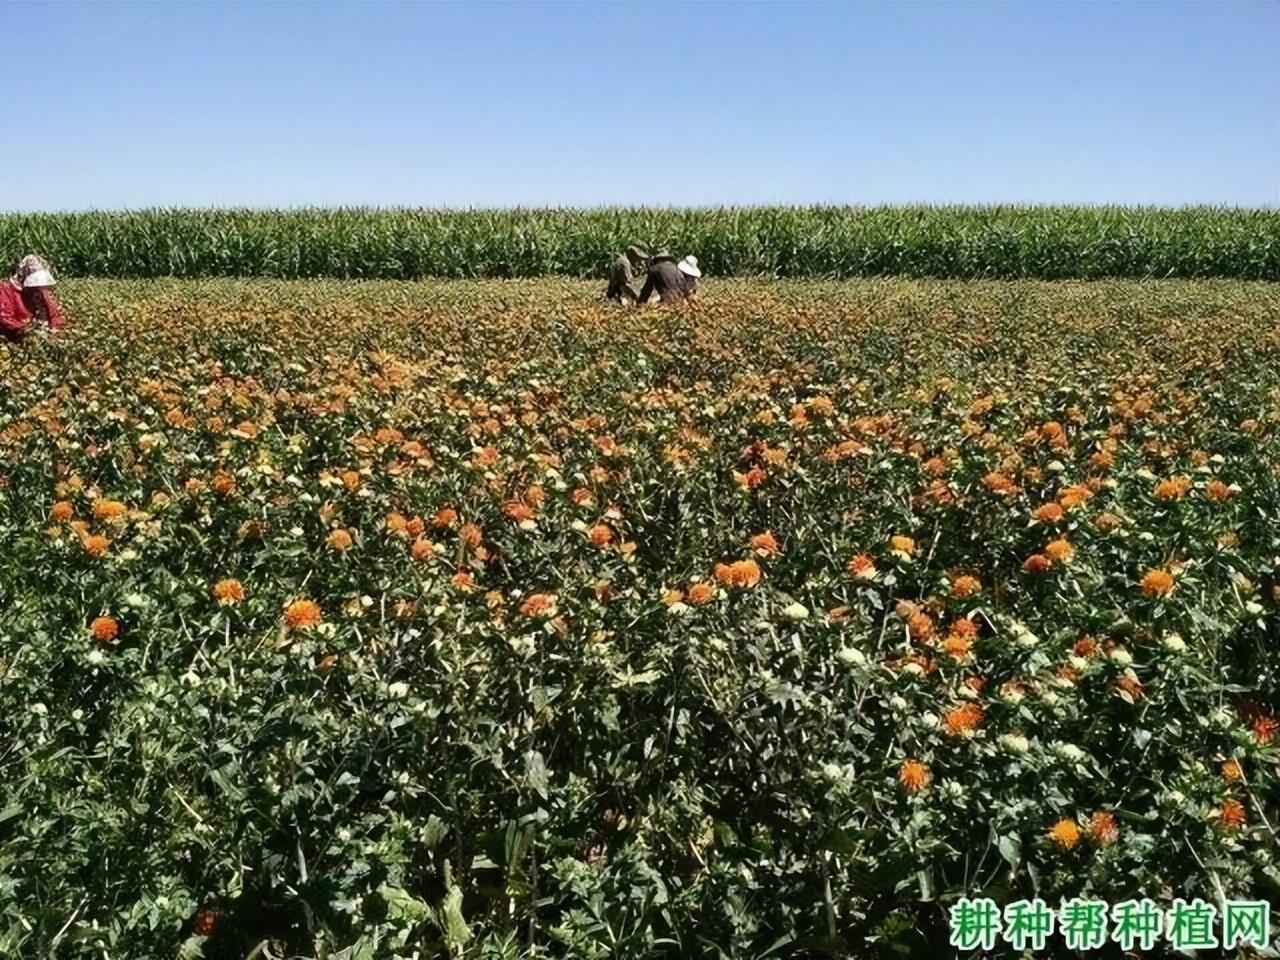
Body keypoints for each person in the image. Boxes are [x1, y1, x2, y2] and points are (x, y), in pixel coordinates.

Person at [1, 255, 64, 338]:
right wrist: (28, 330)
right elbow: (4, 318)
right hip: (14, 336)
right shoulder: (6, 289)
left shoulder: (41, 290)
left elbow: (54, 313)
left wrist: (55, 328)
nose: (36, 288)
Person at [636, 251, 702, 305]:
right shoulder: (676, 268)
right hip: (681, 302)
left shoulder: (654, 269)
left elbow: (647, 290)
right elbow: (685, 289)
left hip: (667, 302)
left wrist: (639, 304)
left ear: (657, 260)